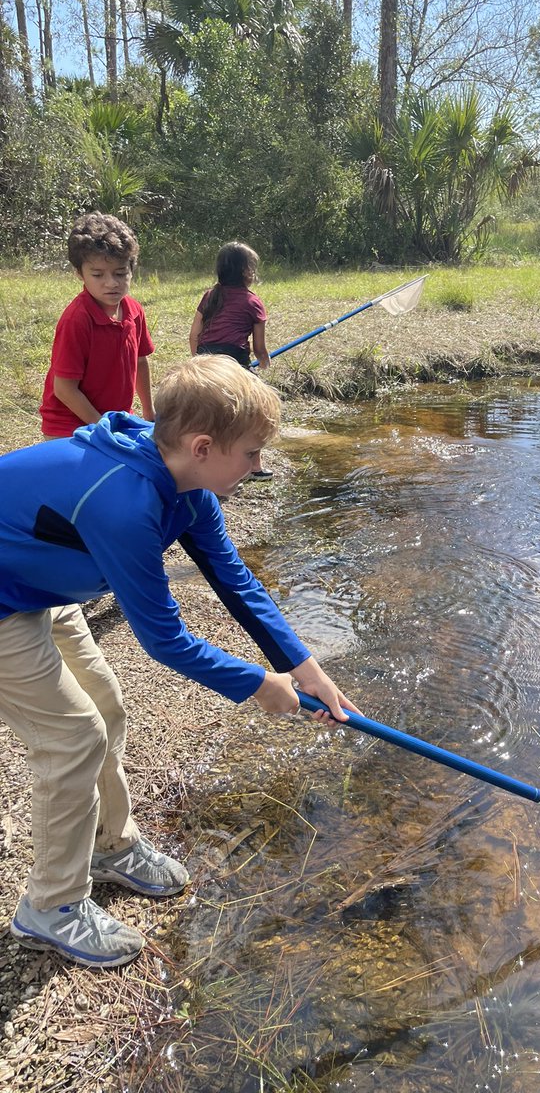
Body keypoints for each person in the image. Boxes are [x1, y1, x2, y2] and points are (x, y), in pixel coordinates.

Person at [0, 355, 358, 969]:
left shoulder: (187, 486)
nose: (259, 466)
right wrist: (257, 685)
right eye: (250, 453)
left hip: (36, 587)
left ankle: (111, 846)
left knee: (107, 709)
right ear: (202, 446)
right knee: (73, 735)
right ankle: (51, 907)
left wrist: (305, 669)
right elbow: (164, 640)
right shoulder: (124, 502)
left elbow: (236, 582)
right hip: (4, 600)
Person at [39, 212, 154, 440]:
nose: (111, 283)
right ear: (79, 274)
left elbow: (140, 361)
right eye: (98, 274)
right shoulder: (77, 319)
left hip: (115, 419)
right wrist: (103, 427)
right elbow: (64, 389)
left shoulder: (134, 311)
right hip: (69, 426)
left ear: (132, 269)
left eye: (120, 273)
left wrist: (149, 412)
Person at [189, 241, 272, 479]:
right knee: (257, 411)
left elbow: (194, 335)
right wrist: (265, 363)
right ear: (247, 271)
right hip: (234, 364)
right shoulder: (253, 302)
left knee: (209, 414)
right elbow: (259, 348)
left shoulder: (210, 296)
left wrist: (199, 364)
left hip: (206, 361)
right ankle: (255, 468)